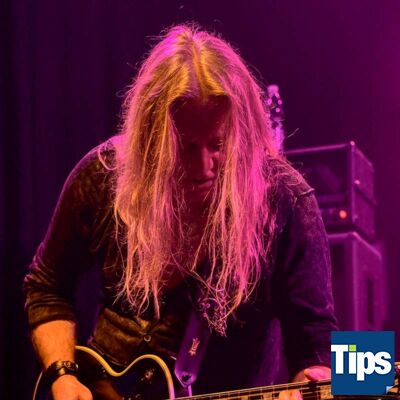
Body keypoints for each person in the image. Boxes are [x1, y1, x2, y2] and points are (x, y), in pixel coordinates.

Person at [23, 24, 337, 400]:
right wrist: (62, 374)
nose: (203, 166)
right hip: (105, 388)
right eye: (185, 147)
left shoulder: (286, 198)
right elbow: (46, 286)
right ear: (151, 140)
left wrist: (325, 376)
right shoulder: (105, 175)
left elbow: (318, 338)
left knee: (373, 379)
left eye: (218, 144)